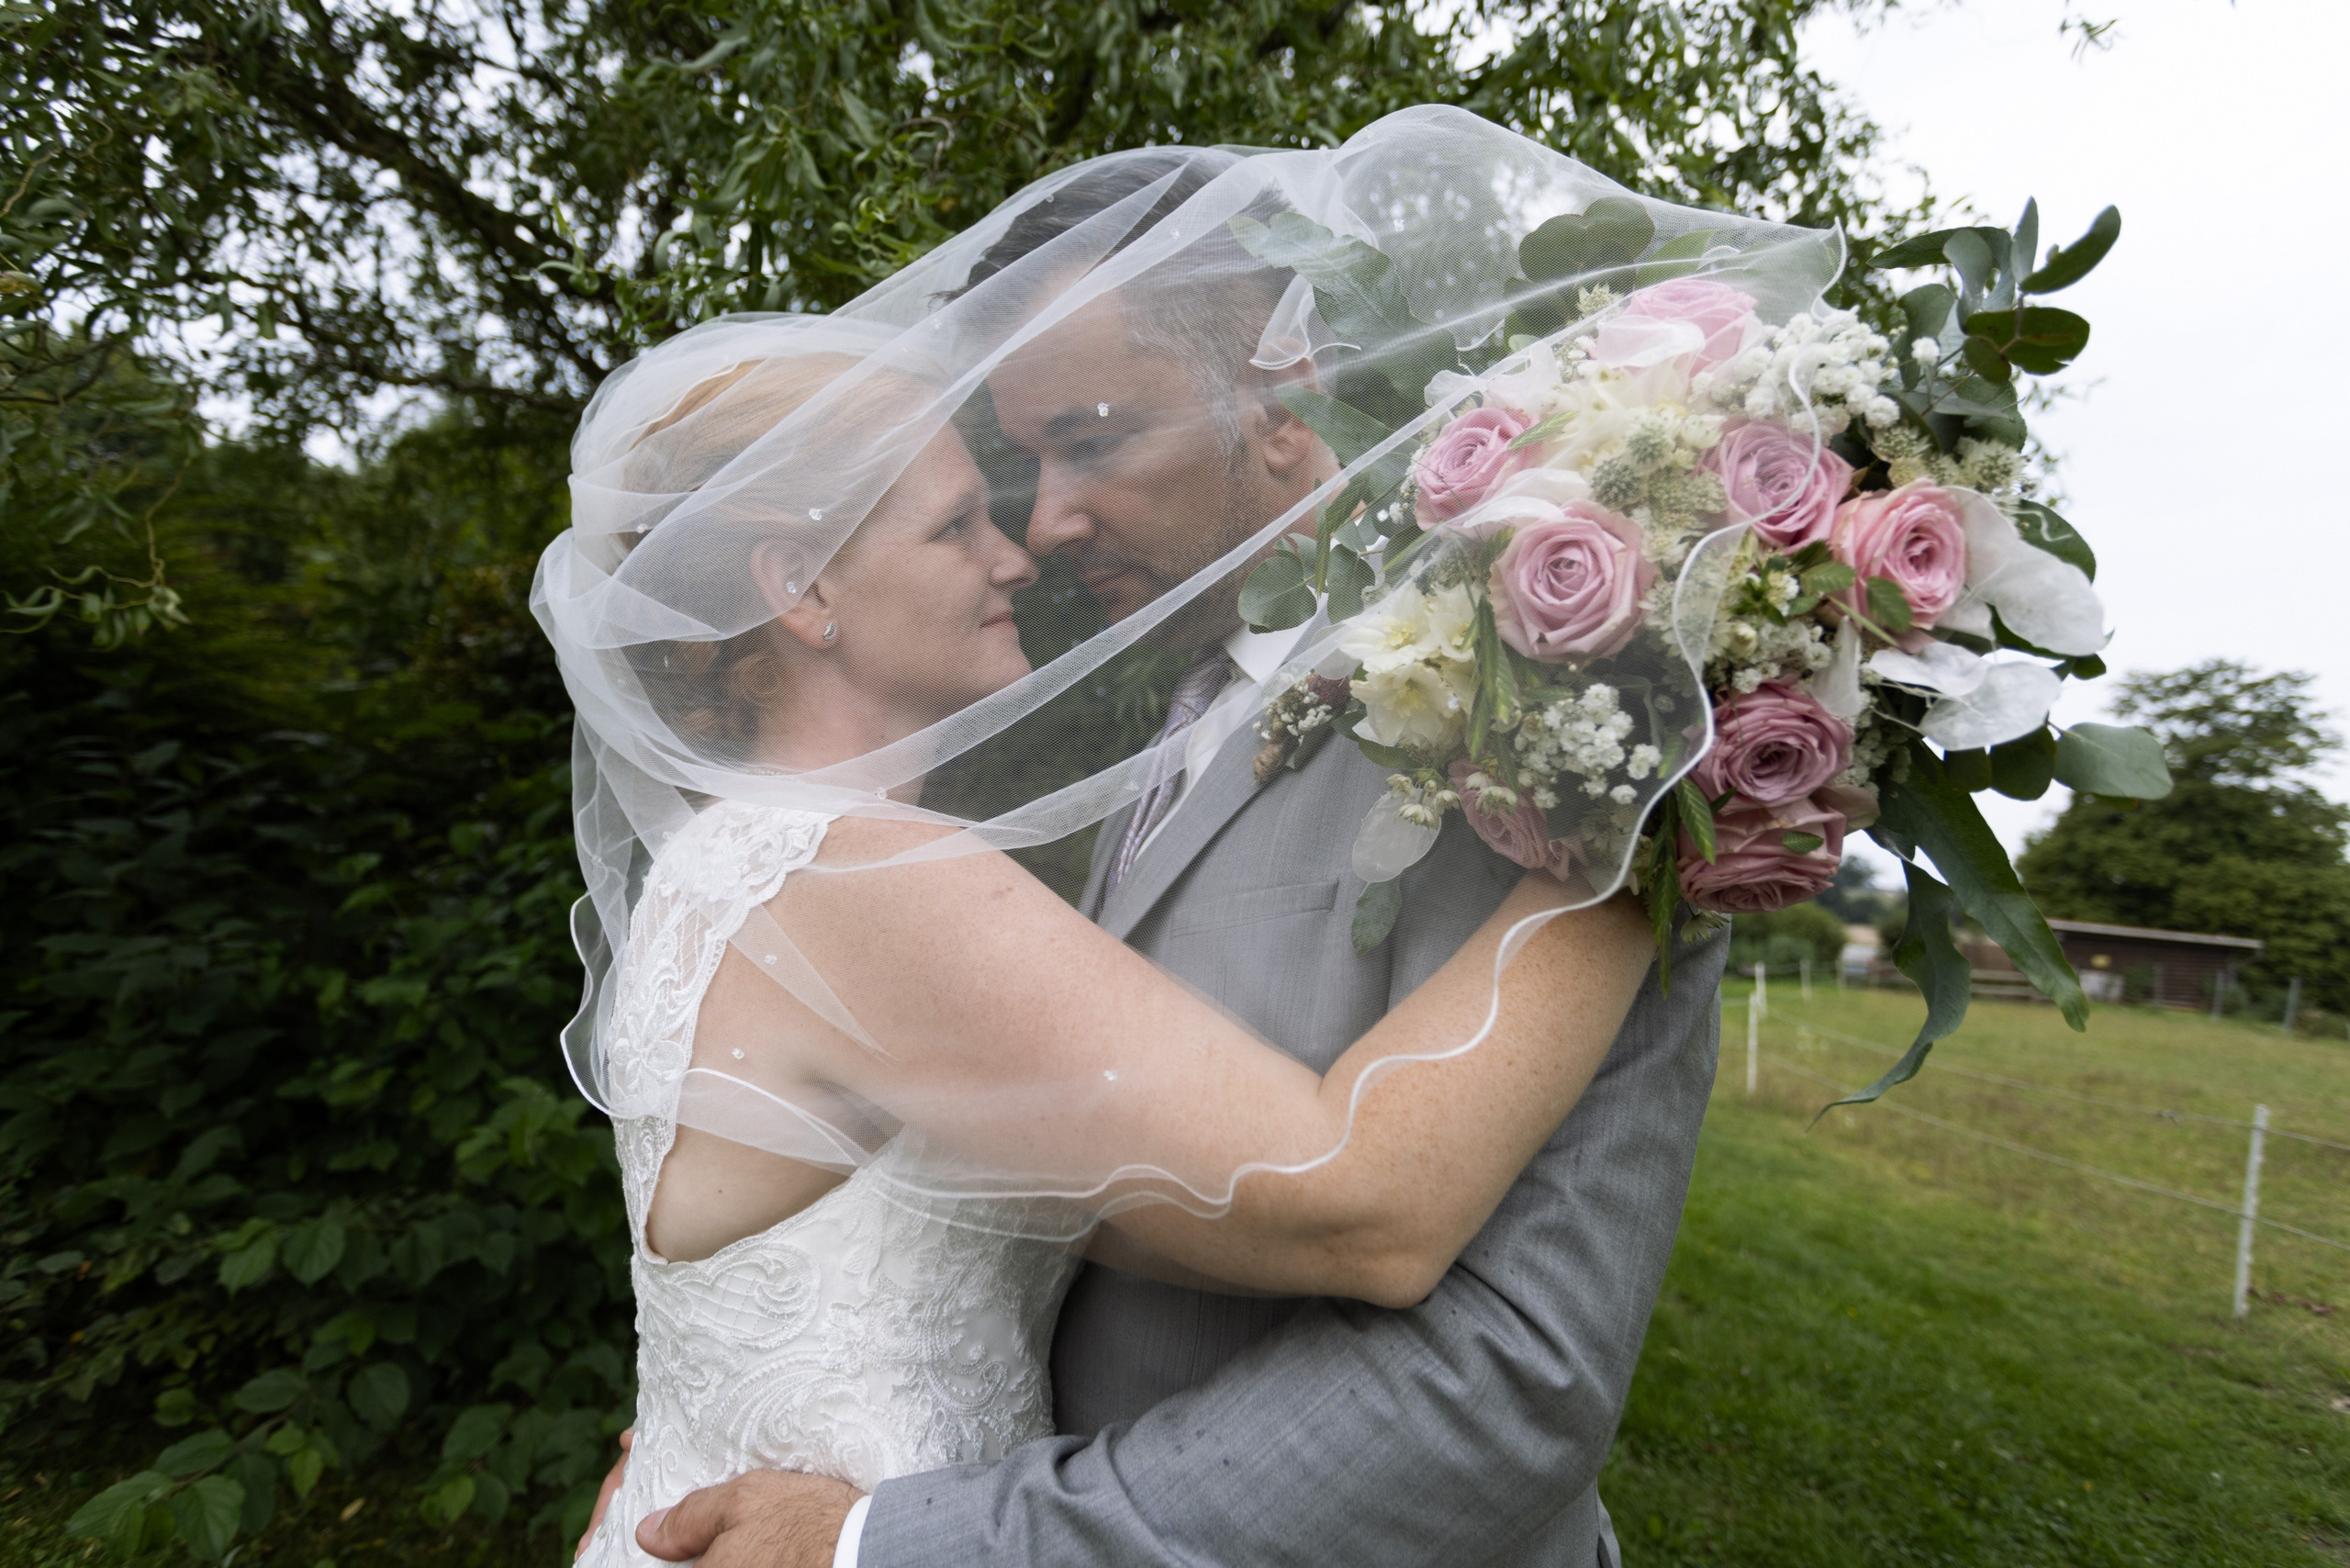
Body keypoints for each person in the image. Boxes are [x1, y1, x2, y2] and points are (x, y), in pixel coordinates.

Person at [600, 108, 1775, 1568]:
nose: (1035, 536)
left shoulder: (1532, 734)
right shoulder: (854, 867)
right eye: (979, 506)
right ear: (801, 591)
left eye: (1089, 441)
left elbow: (1503, 1382)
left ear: (1283, 398)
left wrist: (1669, 786)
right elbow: (1344, 1197)